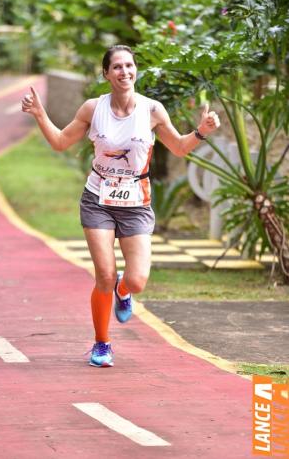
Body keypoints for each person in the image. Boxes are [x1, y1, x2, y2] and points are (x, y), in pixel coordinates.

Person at [21, 44, 220, 368]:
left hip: (136, 203)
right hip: (98, 199)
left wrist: (201, 132)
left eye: (129, 66)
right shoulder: (92, 109)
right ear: (106, 73)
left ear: (135, 70)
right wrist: (40, 114)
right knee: (105, 274)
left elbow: (181, 148)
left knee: (137, 279)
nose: (124, 72)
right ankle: (102, 343)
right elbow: (60, 142)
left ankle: (124, 291)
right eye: (117, 67)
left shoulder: (152, 110)